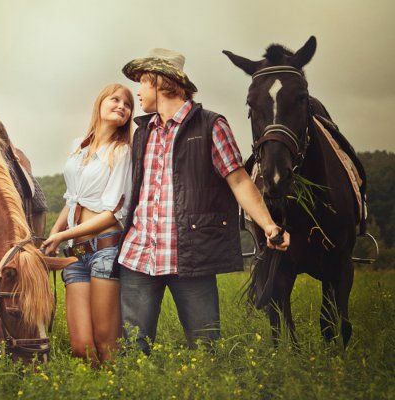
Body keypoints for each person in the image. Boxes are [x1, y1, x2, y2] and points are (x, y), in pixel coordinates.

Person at [114, 48, 290, 354]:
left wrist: (269, 226)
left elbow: (238, 180)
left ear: (160, 81)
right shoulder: (143, 132)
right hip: (138, 256)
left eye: (142, 81)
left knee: (206, 348)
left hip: (192, 257)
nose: (137, 90)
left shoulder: (211, 125)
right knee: (133, 350)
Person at [41, 83, 134, 364]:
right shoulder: (77, 146)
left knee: (107, 343)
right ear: (100, 103)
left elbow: (112, 214)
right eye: (115, 99)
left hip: (105, 249)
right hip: (76, 253)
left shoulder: (122, 152)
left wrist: (64, 234)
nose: (121, 106)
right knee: (81, 347)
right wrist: (54, 235)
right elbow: (72, 199)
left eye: (128, 104)